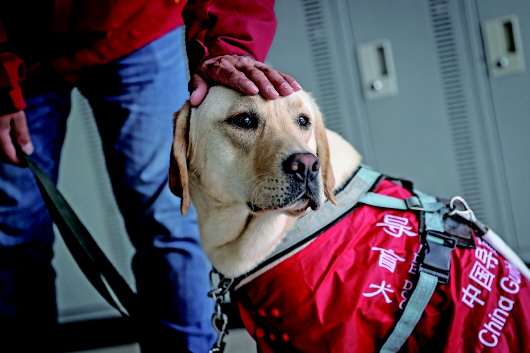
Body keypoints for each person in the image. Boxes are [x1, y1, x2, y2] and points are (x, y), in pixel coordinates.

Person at [0, 1, 300, 352]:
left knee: (169, 217)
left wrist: (228, 47)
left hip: (137, 25)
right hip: (15, 41)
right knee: (12, 231)